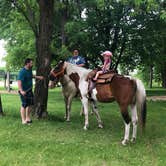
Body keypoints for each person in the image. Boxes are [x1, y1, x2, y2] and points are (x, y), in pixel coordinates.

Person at [17, 58, 43, 125]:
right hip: (24, 91)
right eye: (31, 63)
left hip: (29, 90)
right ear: (27, 63)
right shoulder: (22, 71)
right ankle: (23, 120)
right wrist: (21, 90)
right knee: (24, 105)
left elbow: (31, 76)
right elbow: (19, 81)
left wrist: (38, 77)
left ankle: (27, 118)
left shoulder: (29, 70)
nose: (32, 64)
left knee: (30, 104)